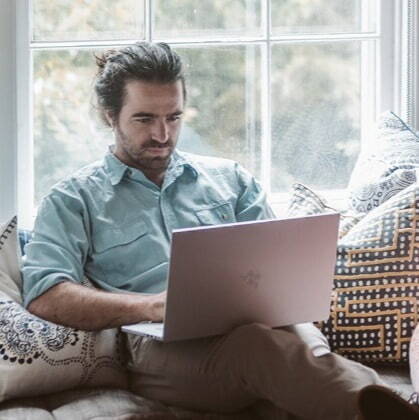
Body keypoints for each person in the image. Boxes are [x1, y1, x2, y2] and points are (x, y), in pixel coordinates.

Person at [22, 41, 387, 420]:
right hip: (161, 351)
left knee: (301, 345)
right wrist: (151, 306)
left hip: (258, 328)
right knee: (260, 348)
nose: (163, 134)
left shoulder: (230, 180)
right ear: (109, 115)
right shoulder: (74, 198)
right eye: (144, 119)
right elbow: (46, 295)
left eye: (174, 117)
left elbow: (278, 263)